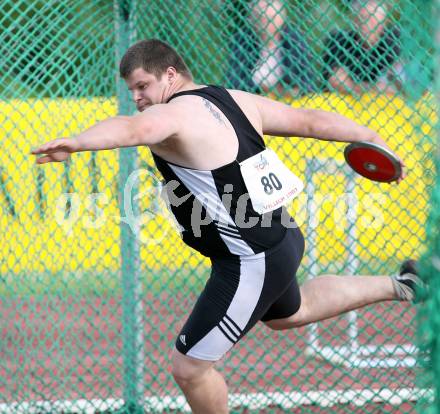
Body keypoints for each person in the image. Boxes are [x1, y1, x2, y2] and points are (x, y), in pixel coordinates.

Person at [32, 39, 421, 414]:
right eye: (131, 89)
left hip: (249, 259)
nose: (137, 98)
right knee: (290, 312)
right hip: (282, 237)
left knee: (189, 369)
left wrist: (80, 141)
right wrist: (369, 135)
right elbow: (308, 120)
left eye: (142, 86)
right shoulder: (236, 98)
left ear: (170, 74)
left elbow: (131, 130)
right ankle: (402, 283)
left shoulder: (172, 114)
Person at [227, 0, 317, 97]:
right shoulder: (244, 41)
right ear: (252, 21)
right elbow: (234, 81)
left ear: (281, 19)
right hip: (253, 100)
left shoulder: (294, 41)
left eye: (269, 19)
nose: (264, 25)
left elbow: (305, 83)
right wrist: (260, 89)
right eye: (259, 18)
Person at [322, 0, 400, 95]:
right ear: (355, 21)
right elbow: (336, 81)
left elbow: (397, 86)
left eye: (372, 20)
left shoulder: (392, 42)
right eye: (362, 18)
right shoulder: (340, 41)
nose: (365, 24)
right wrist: (373, 87)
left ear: (383, 23)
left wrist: (353, 85)